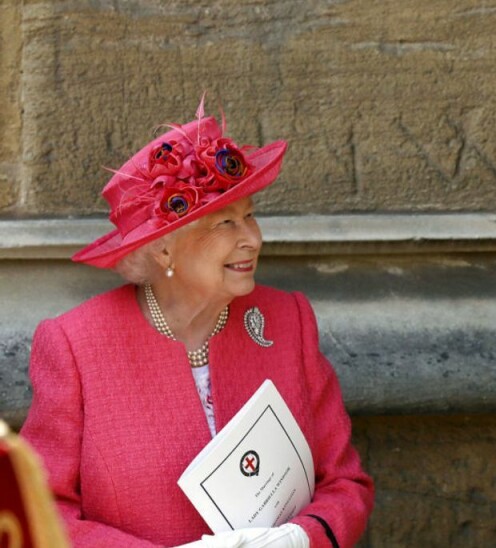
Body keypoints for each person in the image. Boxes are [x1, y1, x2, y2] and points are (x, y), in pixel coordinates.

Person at [20, 100, 374, 547]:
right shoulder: (76, 345)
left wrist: (299, 539)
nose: (253, 239)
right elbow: (40, 512)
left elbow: (345, 485)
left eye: (250, 215)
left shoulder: (287, 320)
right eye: (225, 222)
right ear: (163, 250)